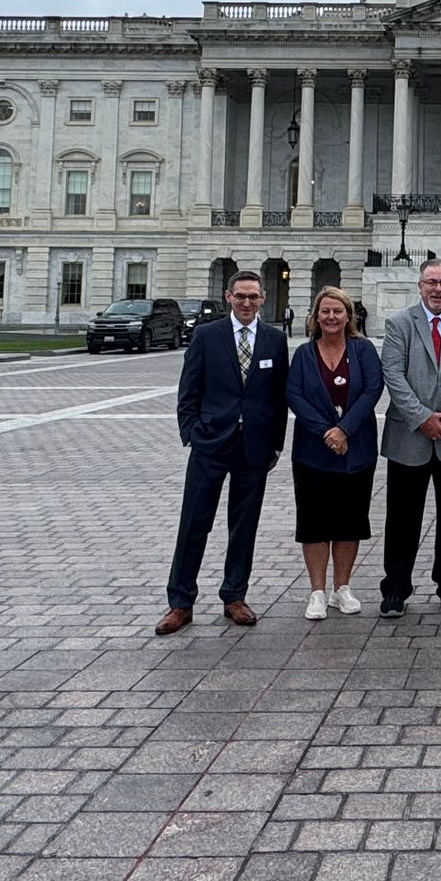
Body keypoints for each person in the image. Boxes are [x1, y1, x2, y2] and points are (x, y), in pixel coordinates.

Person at [157, 270, 288, 636]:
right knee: (194, 523)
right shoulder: (207, 335)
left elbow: (278, 400)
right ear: (228, 297)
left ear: (262, 298)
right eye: (240, 296)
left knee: (243, 526)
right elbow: (188, 393)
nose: (247, 303)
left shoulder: (275, 340)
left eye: (253, 296)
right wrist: (194, 436)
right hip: (211, 444)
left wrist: (275, 443)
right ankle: (180, 602)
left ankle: (234, 596)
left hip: (254, 447)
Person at [378, 258, 441, 617]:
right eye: (431, 282)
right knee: (402, 518)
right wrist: (422, 418)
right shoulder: (399, 323)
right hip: (411, 437)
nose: (438, 289)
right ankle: (395, 589)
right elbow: (393, 374)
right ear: (420, 286)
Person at [286, 286, 384, 619]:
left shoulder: (363, 349)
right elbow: (294, 395)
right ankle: (317, 591)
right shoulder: (303, 354)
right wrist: (326, 431)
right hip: (313, 451)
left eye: (337, 311)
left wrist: (344, 430)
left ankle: (342, 588)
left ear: (348, 316)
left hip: (355, 448)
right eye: (325, 311)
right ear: (315, 316)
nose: (331, 317)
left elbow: (373, 390)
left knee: (349, 521)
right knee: (314, 521)